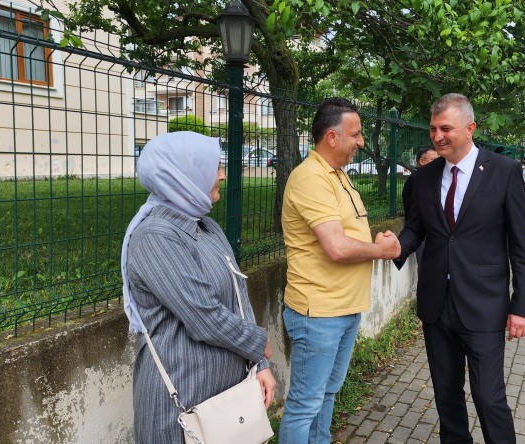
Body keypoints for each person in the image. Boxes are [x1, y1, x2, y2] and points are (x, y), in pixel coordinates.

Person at [394, 93, 525, 444]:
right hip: (436, 305)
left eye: (446, 128)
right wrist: (395, 246)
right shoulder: (425, 178)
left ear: (470, 128)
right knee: (446, 395)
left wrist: (522, 307)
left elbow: (521, 246)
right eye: (432, 129)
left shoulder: (504, 172)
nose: (437, 136)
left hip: (484, 304)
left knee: (489, 397)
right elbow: (416, 228)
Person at [121, 132, 276, 443]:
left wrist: (260, 363)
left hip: (225, 396)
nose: (222, 174)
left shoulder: (206, 226)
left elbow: (238, 298)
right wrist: (259, 342)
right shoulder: (155, 236)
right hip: (181, 403)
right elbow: (205, 317)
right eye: (214, 166)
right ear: (182, 175)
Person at [279, 98, 401, 443]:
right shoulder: (310, 178)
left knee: (328, 393)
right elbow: (336, 247)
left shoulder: (338, 176)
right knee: (305, 404)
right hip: (318, 312)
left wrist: (376, 241)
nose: (361, 142)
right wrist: (380, 250)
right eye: (356, 134)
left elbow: (349, 234)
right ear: (331, 138)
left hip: (345, 309)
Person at [402, 146, 439, 216]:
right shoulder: (415, 178)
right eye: (433, 160)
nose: (437, 163)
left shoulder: (424, 176)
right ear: (422, 161)